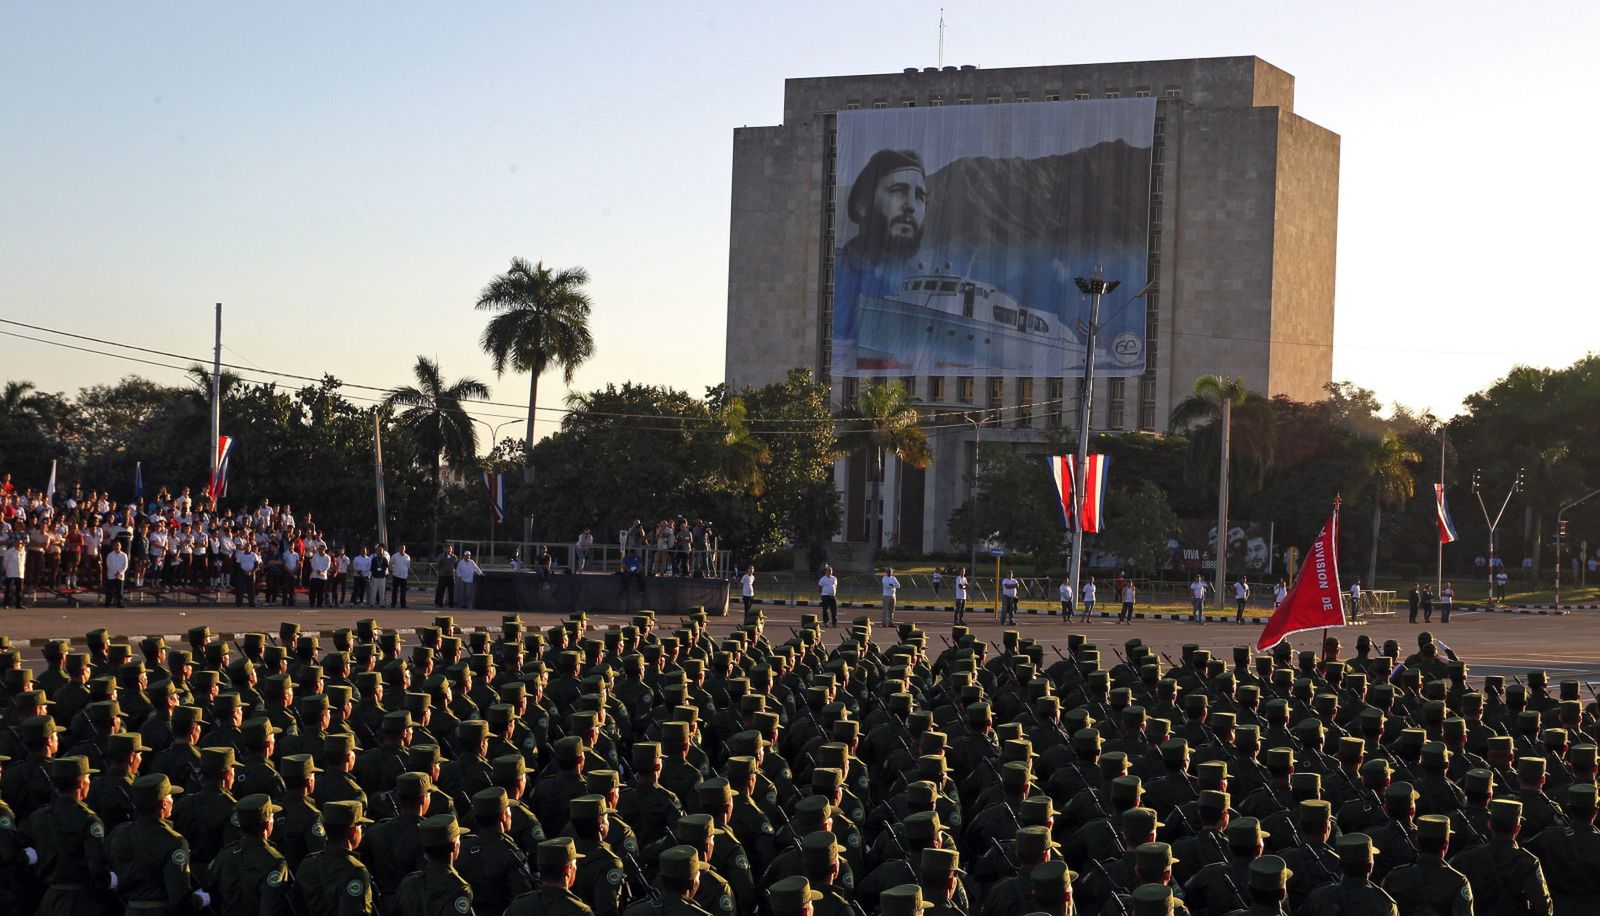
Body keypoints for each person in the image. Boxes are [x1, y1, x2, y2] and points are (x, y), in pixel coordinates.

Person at [840, 149, 927, 273]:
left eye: (920, 196)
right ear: (863, 205)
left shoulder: (915, 277)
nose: (911, 206)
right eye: (898, 191)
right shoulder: (837, 269)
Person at [103, 539, 129, 607]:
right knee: (110, 591)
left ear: (120, 546)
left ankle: (119, 603)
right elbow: (109, 565)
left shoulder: (124, 555)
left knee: (119, 591)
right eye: (115, 545)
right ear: (113, 547)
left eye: (118, 545)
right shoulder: (110, 555)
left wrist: (120, 572)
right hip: (112, 575)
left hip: (120, 576)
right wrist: (115, 573)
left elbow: (125, 565)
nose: (117, 547)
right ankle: (108, 603)